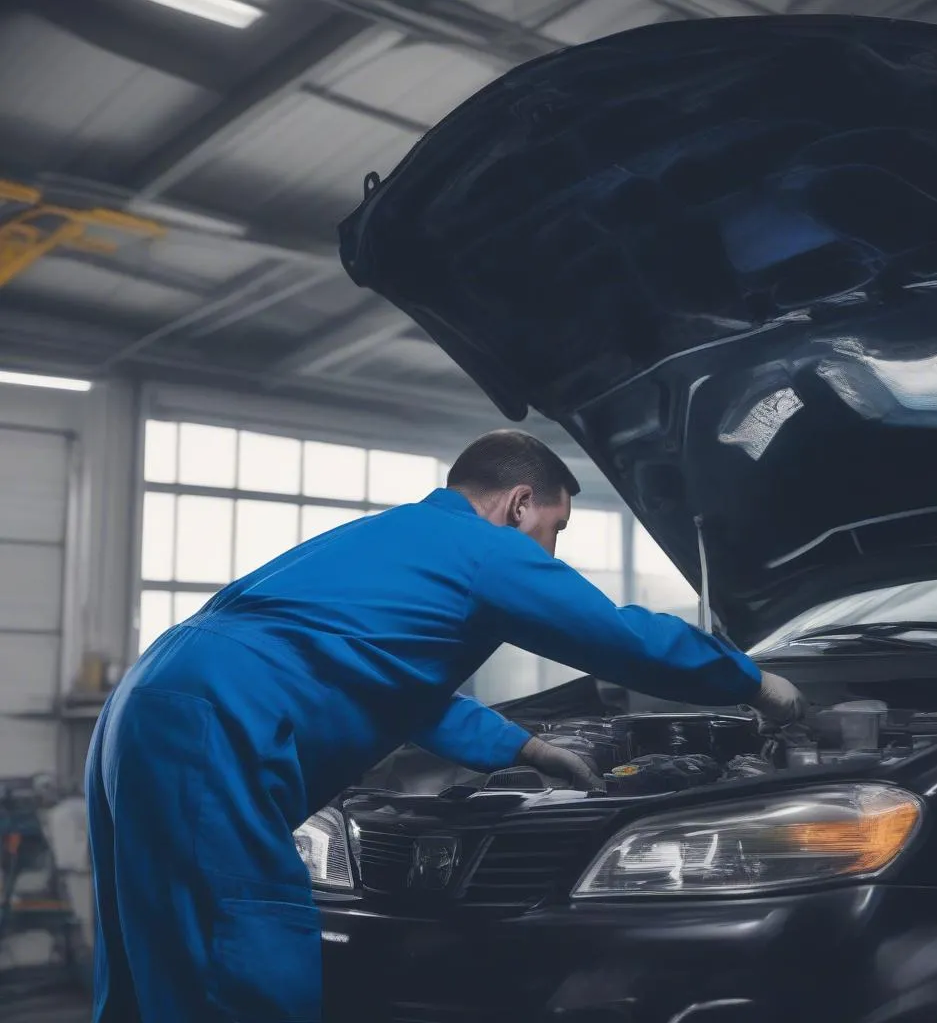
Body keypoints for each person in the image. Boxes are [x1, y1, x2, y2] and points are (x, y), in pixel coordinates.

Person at [85, 429, 803, 1022]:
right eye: (554, 530)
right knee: (240, 950)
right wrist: (756, 683)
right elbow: (619, 638)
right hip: (216, 717)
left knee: (149, 952)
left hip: (153, 701)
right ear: (521, 504)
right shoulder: (483, 551)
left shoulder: (399, 538)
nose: (548, 552)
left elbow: (394, 686)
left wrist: (526, 747)